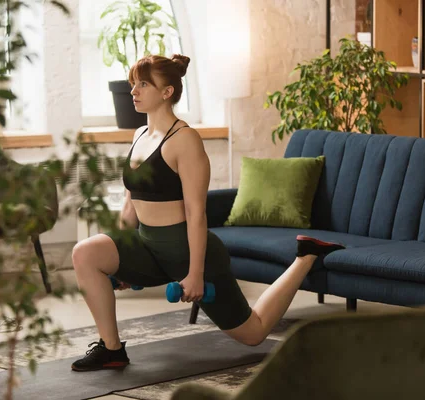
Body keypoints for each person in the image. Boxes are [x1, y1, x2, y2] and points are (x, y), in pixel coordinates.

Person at [70, 54, 345, 372]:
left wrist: (195, 274)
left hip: (185, 250)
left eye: (143, 84)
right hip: (146, 243)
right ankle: (112, 350)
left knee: (253, 333)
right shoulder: (140, 136)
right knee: (85, 253)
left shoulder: (184, 140)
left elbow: (197, 212)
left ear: (166, 92)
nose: (134, 90)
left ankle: (306, 257)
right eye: (133, 83)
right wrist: (121, 256)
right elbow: (131, 202)